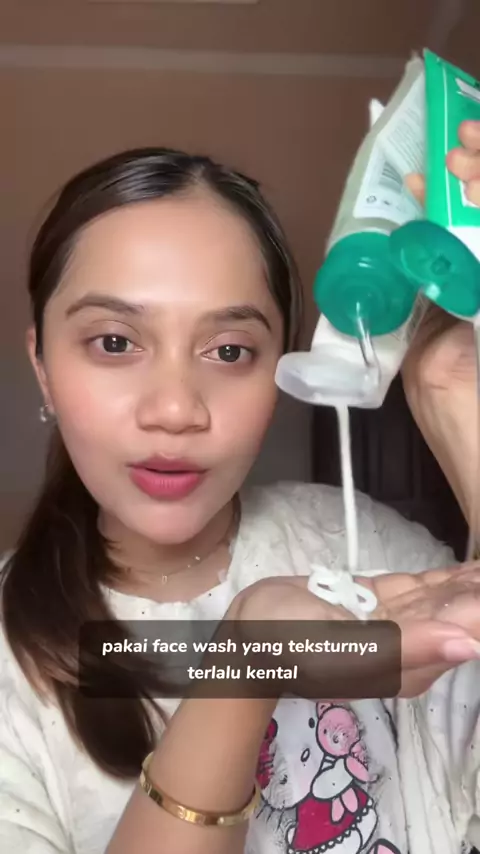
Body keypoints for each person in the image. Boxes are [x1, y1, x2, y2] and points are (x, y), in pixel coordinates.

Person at [1, 137, 480, 854]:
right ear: (42, 364)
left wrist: (458, 402)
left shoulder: (373, 550)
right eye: (114, 343)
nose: (175, 410)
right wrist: (246, 667)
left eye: (229, 351)